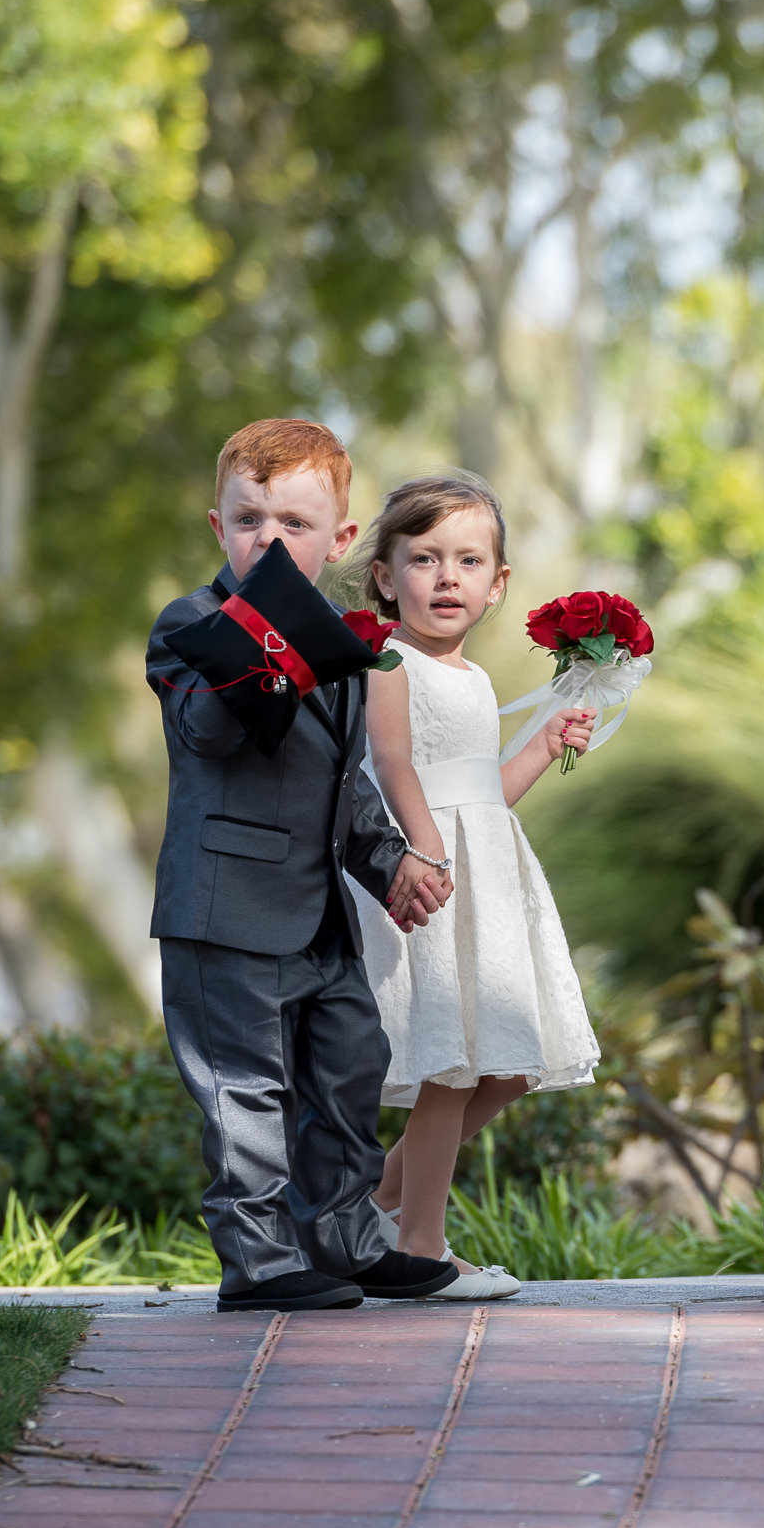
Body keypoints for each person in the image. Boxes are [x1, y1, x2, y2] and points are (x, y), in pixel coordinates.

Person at [147, 418, 460, 1313]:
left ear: (340, 541)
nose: (269, 541)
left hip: (319, 908)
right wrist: (265, 627)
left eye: (292, 525)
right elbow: (206, 732)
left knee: (351, 1065)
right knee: (245, 1094)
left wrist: (390, 862)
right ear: (219, 528)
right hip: (225, 906)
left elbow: (341, 785)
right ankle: (258, 1262)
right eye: (249, 521)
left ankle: (346, 1239)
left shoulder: (345, 647)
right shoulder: (192, 625)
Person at [348, 474, 600, 1300]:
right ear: (385, 575)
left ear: (498, 584)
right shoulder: (388, 662)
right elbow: (390, 769)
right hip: (431, 876)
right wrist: (426, 851)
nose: (446, 577)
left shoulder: (476, 678)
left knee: (510, 1061)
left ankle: (385, 1202)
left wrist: (546, 739)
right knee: (452, 1069)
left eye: (467, 561)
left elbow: (483, 790)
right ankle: (422, 1246)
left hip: (487, 872)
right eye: (423, 559)